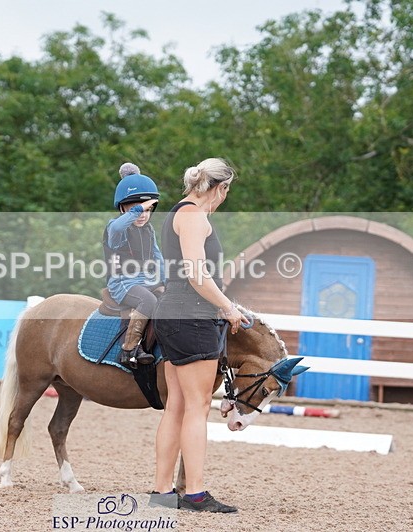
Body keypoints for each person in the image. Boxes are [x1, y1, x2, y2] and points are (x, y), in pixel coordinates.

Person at [152, 157, 249, 513]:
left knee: (176, 406)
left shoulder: (179, 212)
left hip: (173, 313)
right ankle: (194, 493)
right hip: (192, 317)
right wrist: (228, 307)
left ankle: (162, 492)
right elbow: (196, 274)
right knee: (198, 406)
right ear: (221, 188)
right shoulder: (194, 216)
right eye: (227, 190)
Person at [104, 163, 165, 368]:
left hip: (146, 280)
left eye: (147, 210)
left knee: (168, 297)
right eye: (135, 209)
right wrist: (140, 208)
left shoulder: (149, 230)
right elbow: (118, 226)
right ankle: (128, 349)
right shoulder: (116, 228)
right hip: (122, 282)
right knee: (148, 300)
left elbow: (158, 257)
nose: (142, 214)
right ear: (122, 208)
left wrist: (167, 281)